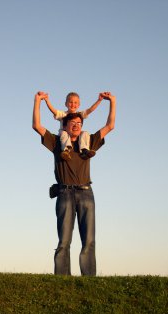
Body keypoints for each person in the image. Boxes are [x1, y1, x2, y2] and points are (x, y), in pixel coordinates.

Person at [32, 91, 116, 276]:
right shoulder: (57, 142)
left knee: (89, 241)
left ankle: (89, 280)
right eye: (73, 124)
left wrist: (112, 102)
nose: (76, 126)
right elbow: (37, 125)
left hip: (86, 193)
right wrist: (38, 101)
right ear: (65, 126)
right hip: (65, 194)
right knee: (64, 241)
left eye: (79, 124)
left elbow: (110, 125)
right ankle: (62, 280)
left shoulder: (89, 142)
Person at [42, 91, 104, 160]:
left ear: (79, 105)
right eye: (70, 102)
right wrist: (47, 101)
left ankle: (84, 150)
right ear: (66, 104)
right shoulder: (63, 114)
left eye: (75, 103)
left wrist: (99, 100)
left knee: (85, 133)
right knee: (64, 133)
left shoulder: (79, 114)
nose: (73, 104)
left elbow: (90, 110)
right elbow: (53, 110)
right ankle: (66, 151)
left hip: (75, 135)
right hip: (65, 134)